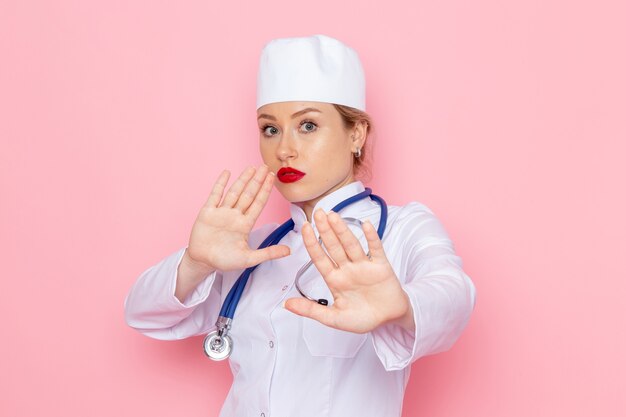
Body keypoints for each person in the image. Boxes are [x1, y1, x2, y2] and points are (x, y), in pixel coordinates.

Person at [124, 34, 476, 417]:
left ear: (356, 133)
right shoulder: (252, 250)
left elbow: (453, 297)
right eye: (270, 129)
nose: (284, 149)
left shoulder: (403, 229)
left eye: (307, 125)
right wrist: (197, 262)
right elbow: (142, 314)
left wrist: (401, 308)